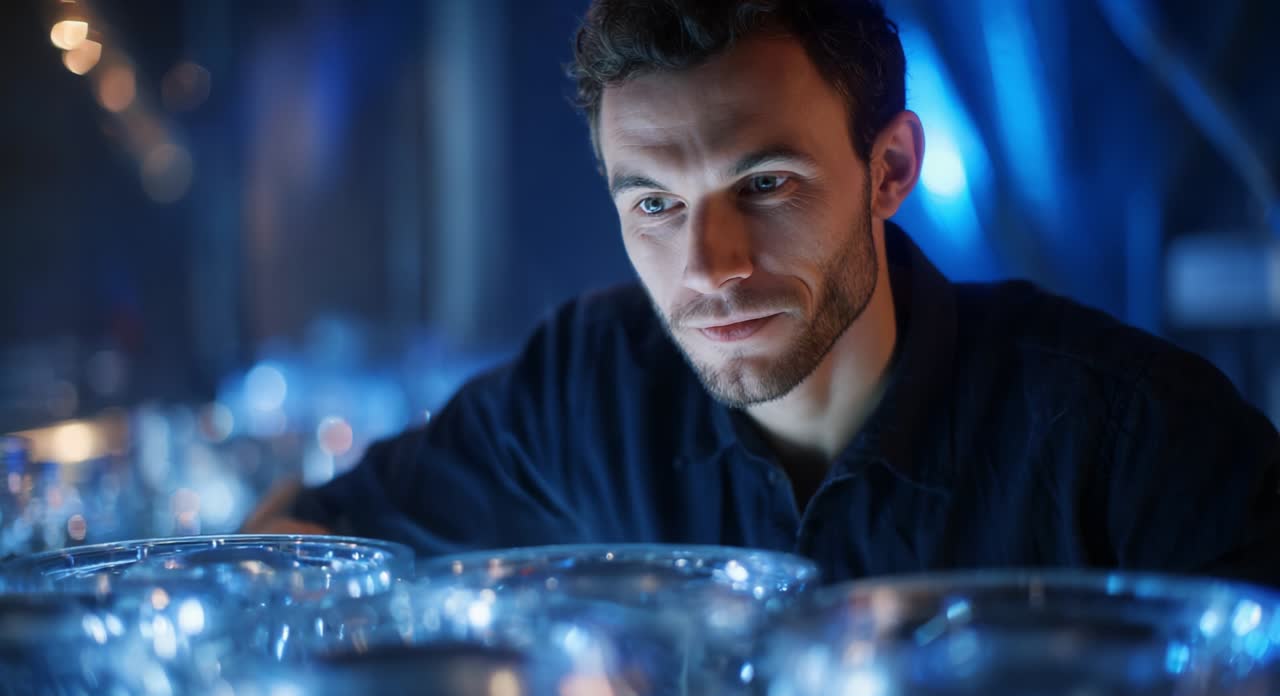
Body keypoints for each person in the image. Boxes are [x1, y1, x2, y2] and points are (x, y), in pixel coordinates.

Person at [243, 0, 1280, 585]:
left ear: (889, 170)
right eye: (651, 203)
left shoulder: (1128, 434)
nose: (710, 266)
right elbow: (293, 550)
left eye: (764, 184)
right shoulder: (589, 389)